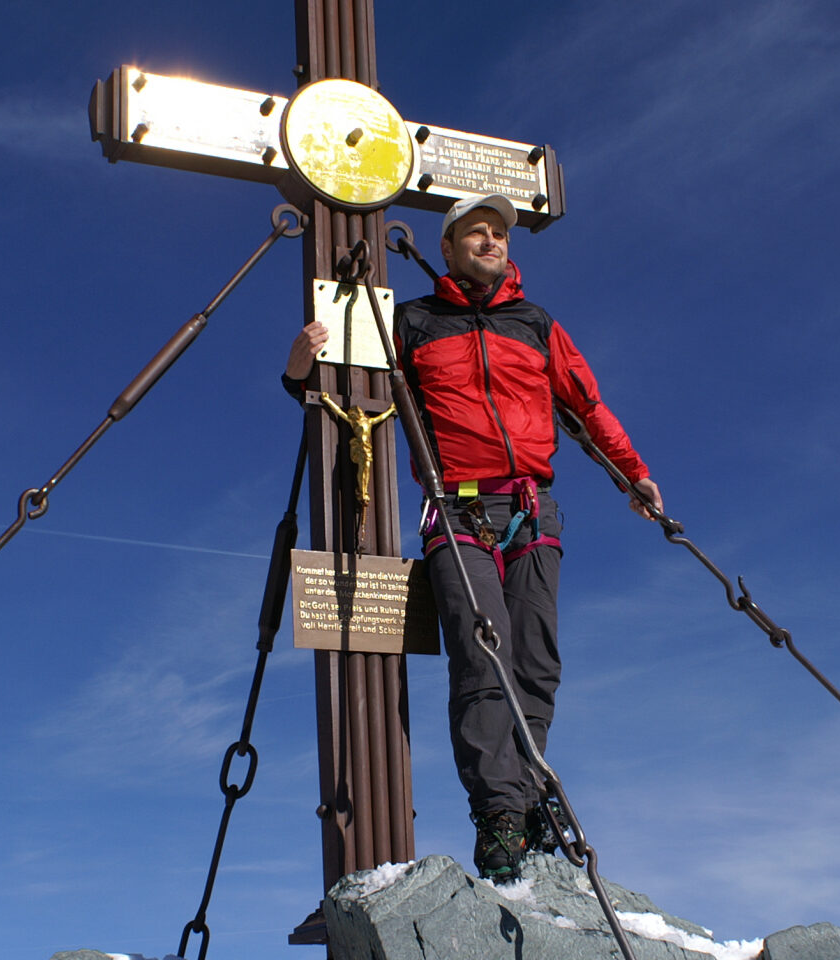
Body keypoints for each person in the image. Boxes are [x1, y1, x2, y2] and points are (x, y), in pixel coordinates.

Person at [283, 194, 662, 881]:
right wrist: (298, 369)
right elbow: (346, 387)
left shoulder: (535, 324)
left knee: (536, 664)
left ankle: (528, 793)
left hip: (532, 509)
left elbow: (585, 404)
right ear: (450, 246)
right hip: (458, 512)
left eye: (499, 234)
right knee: (482, 654)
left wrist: (632, 476)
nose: (491, 242)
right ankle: (502, 816)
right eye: (475, 233)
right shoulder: (414, 323)